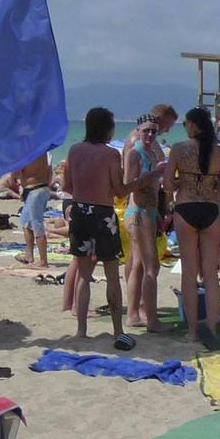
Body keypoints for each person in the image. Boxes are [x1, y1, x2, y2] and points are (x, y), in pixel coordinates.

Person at [64, 107, 128, 348]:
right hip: (102, 214)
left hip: (80, 211)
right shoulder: (111, 155)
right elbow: (120, 190)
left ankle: (81, 330)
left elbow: (67, 185)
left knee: (84, 275)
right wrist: (142, 180)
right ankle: (117, 329)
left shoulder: (74, 150)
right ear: (107, 129)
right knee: (112, 275)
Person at [168, 107, 220, 351]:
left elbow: (166, 183)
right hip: (210, 209)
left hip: (186, 208)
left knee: (189, 274)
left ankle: (193, 332)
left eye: (185, 124)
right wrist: (211, 185)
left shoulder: (178, 149)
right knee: (211, 275)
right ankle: (212, 328)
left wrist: (183, 181)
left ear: (192, 126)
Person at [122, 107, 170, 332]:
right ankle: (152, 321)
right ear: (138, 130)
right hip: (137, 213)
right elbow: (127, 186)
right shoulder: (135, 152)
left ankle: (134, 315)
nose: (150, 135)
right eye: (147, 131)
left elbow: (153, 186)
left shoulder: (151, 152)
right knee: (152, 265)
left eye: (154, 132)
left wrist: (160, 212)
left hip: (149, 212)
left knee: (140, 266)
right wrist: (153, 173)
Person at [15, 149, 52, 268]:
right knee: (25, 222)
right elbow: (49, 171)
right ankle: (29, 255)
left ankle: (43, 261)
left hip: (34, 191)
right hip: (42, 188)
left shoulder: (26, 153)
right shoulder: (42, 151)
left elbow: (15, 174)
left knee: (37, 225)